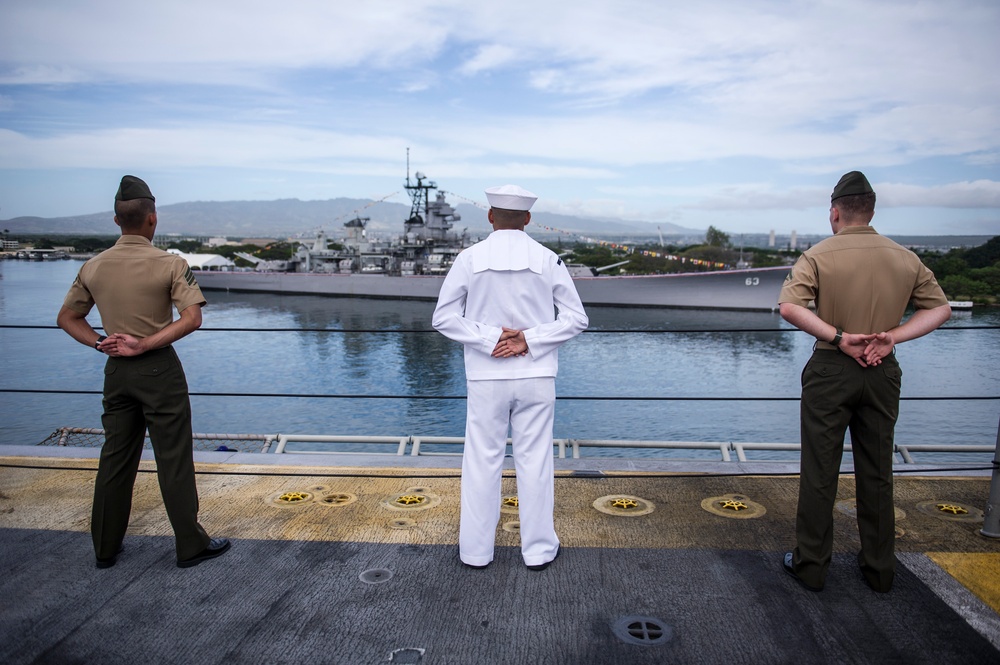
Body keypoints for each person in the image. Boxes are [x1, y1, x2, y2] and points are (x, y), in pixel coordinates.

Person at [778, 171, 951, 593]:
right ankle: (878, 569)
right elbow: (940, 309)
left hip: (831, 368)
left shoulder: (818, 254)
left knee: (821, 471)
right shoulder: (906, 257)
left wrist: (839, 337)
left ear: (835, 212)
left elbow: (789, 308)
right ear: (871, 210)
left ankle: (812, 567)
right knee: (877, 472)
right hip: (882, 369)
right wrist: (892, 337)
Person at [57, 175, 230, 569]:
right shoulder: (170, 263)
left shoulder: (93, 265)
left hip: (115, 370)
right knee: (172, 458)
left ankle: (104, 547)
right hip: (158, 370)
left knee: (115, 458)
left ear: (117, 220)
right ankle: (190, 544)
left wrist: (101, 342)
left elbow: (67, 317)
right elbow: (193, 318)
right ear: (152, 219)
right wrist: (146, 342)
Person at [432, 184, 588, 570]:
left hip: (486, 377)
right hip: (537, 374)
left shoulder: (469, 258)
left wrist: (491, 338)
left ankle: (475, 551)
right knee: (534, 460)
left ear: (489, 216)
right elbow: (576, 319)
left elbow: (444, 318)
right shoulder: (548, 257)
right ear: (528, 219)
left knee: (482, 461)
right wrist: (528, 340)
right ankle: (537, 551)